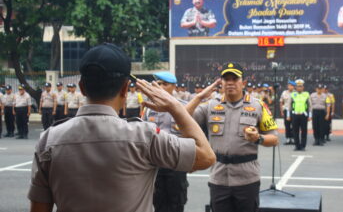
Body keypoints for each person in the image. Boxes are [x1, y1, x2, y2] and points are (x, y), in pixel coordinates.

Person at [28, 43, 216, 212]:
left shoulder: (49, 139)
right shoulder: (143, 136)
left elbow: (38, 207)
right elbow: (206, 157)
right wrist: (175, 106)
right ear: (125, 89)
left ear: (82, 87)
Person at [186, 62, 279, 212]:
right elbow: (181, 118)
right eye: (226, 79)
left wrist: (258, 138)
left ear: (243, 82)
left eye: (234, 79)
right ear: (220, 82)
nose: (230, 83)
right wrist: (199, 97)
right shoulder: (210, 105)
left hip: (247, 179)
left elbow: (274, 139)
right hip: (219, 178)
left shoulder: (258, 105)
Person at [142, 72, 188, 212]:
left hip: (176, 162)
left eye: (165, 84)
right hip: (156, 163)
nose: (160, 86)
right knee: (158, 202)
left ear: (174, 86)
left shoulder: (184, 107)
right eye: (159, 83)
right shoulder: (149, 108)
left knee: (176, 202)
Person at [287, 79, 312, 151]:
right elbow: (289, 106)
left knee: (304, 131)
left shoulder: (306, 94)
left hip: (303, 115)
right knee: (295, 131)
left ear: (303, 87)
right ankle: (297, 145)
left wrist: (310, 116)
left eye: (300, 86)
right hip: (295, 115)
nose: (299, 88)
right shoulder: (293, 94)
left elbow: (310, 106)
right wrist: (288, 115)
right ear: (296, 87)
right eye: (298, 86)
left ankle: (303, 146)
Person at [280, 81, 296, 145]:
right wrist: (281, 111)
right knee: (287, 125)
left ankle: (292, 138)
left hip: (294, 110)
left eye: (291, 85)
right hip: (286, 110)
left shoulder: (296, 93)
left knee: (294, 125)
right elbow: (281, 102)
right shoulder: (284, 93)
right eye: (289, 85)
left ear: (294, 86)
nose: (290, 87)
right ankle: (288, 139)